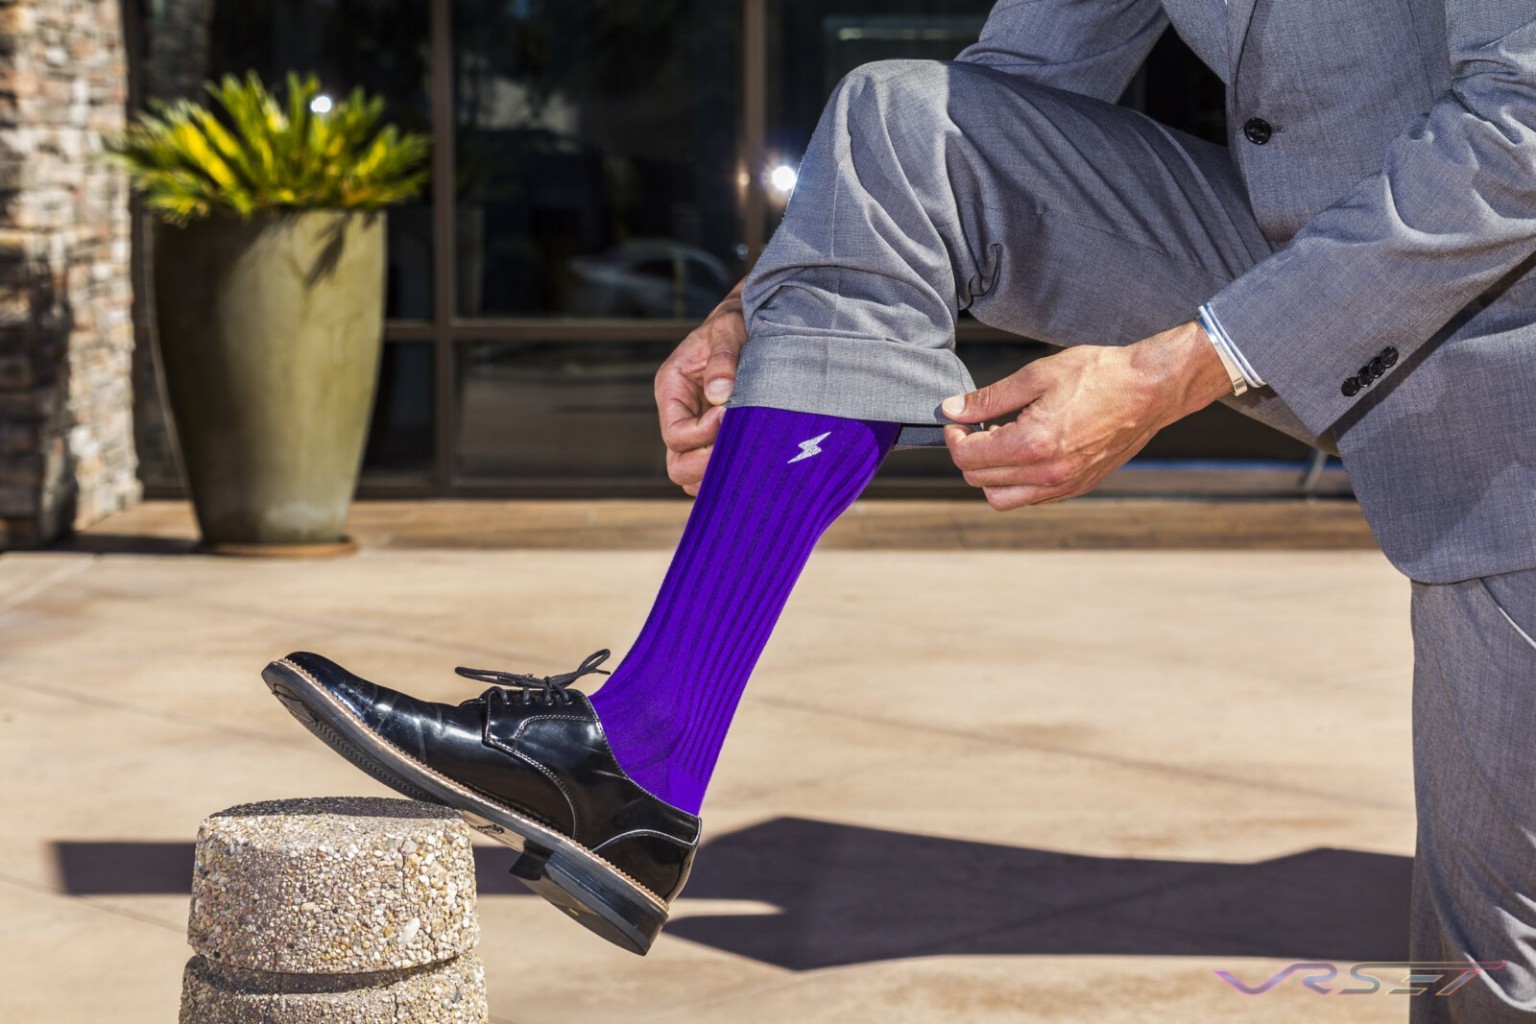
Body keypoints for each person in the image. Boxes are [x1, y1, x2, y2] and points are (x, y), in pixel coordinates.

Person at [263, 1, 1536, 1018]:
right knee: (904, 128)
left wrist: (1166, 373)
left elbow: (1520, 122)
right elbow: (1019, 88)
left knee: (1490, 974)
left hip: (1511, 368)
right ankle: (640, 758)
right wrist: (754, 311)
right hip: (1318, 263)